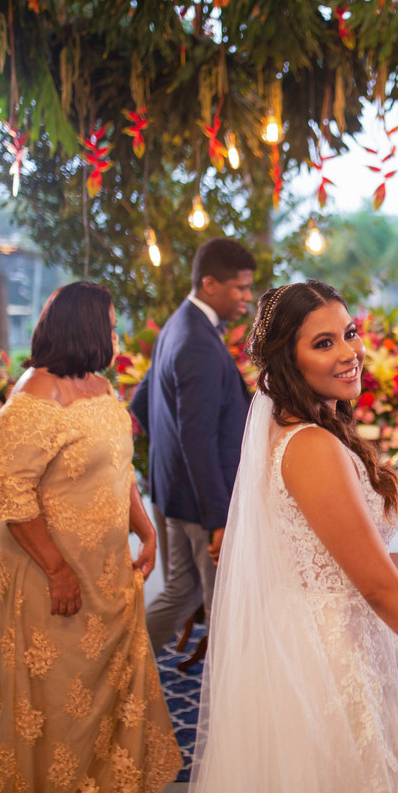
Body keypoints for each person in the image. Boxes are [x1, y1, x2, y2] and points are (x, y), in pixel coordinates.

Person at [189, 280, 398, 791]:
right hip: (330, 654)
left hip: (316, 633)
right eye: (323, 343)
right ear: (288, 360)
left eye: (349, 333)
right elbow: (378, 586)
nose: (350, 352)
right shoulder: (310, 446)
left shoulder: (301, 428)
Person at [0, 282, 181, 792]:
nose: (117, 336)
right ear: (85, 328)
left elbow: (118, 468)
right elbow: (12, 498)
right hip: (52, 577)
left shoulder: (98, 386)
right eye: (112, 326)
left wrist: (144, 529)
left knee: (110, 694)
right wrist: (58, 569)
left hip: (107, 573)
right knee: (58, 701)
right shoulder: (32, 398)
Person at [130, 237, 256, 654]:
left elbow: (141, 404)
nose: (246, 297)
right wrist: (218, 518)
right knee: (225, 605)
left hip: (175, 495)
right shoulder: (198, 341)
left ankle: (118, 663)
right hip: (205, 505)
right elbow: (197, 438)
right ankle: (227, 706)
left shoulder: (178, 325)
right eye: (239, 287)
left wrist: (168, 465)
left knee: (182, 592)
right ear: (209, 283)